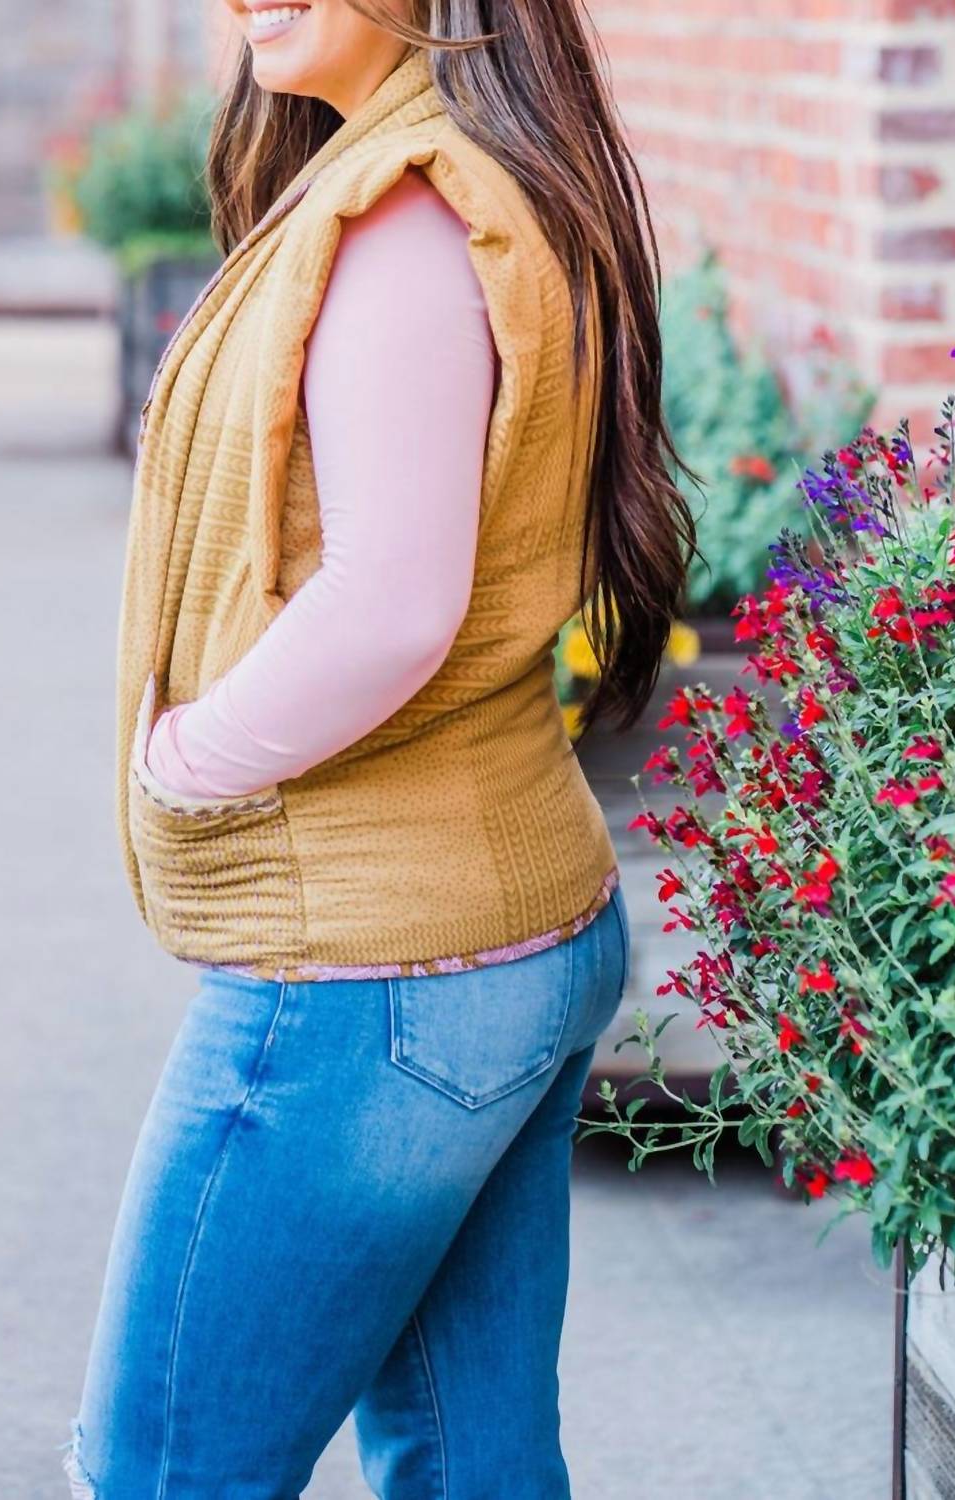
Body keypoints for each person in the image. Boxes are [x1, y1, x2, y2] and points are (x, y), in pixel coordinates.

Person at [66, 2, 695, 1495]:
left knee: (161, 1473)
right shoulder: (489, 175)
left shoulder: (406, 220)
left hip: (372, 972)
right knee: (472, 1465)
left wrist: (182, 762)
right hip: (501, 931)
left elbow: (393, 603)